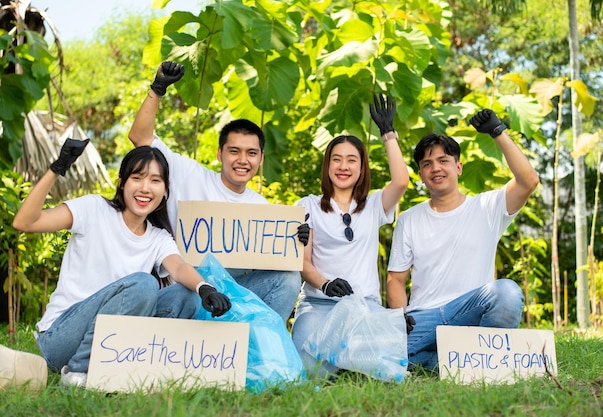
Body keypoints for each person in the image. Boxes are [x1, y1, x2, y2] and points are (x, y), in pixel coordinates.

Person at [12, 140, 231, 388]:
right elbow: (26, 223)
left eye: (155, 181)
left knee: (186, 295)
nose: (145, 188)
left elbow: (179, 268)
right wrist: (56, 169)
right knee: (144, 283)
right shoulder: (94, 209)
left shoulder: (158, 237)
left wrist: (204, 288)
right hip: (60, 340)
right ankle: (78, 373)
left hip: (111, 344)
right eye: (137, 178)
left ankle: (142, 366)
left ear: (166, 191)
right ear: (122, 182)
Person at [127, 61, 307, 324]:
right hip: (188, 290)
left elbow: (268, 263)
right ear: (220, 153)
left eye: (251, 153)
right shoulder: (187, 173)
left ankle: (258, 348)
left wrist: (294, 239)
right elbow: (139, 137)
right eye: (234, 151)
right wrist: (158, 88)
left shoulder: (262, 207)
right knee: (185, 292)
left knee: (288, 278)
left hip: (232, 294)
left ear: (261, 159)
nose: (242, 160)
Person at [386, 109, 540, 371]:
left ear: (458, 167)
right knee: (377, 351)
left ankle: (453, 360)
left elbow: (528, 181)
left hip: (471, 316)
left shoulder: (487, 207)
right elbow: (396, 280)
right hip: (423, 318)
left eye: (443, 161)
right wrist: (400, 318)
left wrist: (497, 131)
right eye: (427, 164)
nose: (435, 168)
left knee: (508, 293)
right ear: (422, 175)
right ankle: (456, 361)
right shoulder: (409, 219)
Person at [290, 94, 410, 377]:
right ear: (327, 165)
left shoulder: (373, 206)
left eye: (351, 160)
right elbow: (304, 264)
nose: (343, 167)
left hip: (364, 307)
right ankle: (341, 362)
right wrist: (327, 284)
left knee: (387, 375)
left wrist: (388, 134)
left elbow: (401, 181)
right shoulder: (307, 206)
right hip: (319, 305)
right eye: (337, 160)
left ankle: (348, 362)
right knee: (310, 373)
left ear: (361, 167)